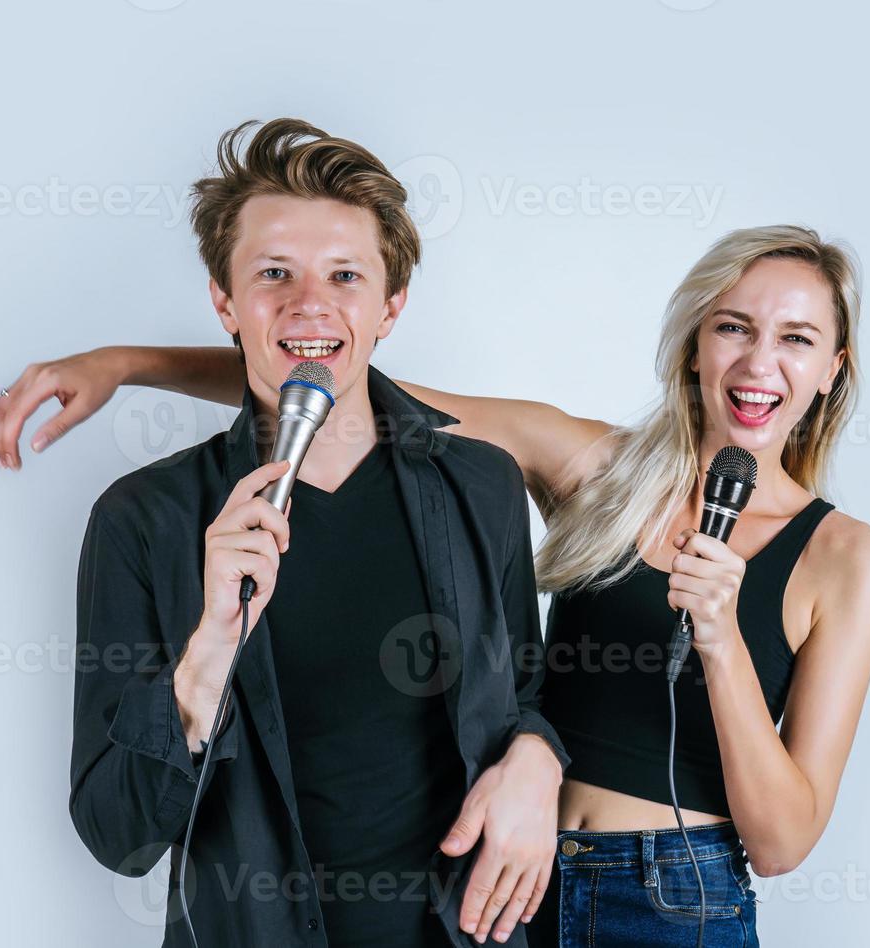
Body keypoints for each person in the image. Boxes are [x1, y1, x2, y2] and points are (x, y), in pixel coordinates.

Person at [0, 214, 870, 944]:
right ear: (696, 344)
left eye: (797, 339)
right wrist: (123, 366)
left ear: (831, 371)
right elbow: (340, 381)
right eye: (733, 327)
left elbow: (781, 842)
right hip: (509, 887)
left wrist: (723, 637)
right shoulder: (597, 467)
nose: (756, 363)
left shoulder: (847, 558)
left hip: (667, 900)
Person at [61, 118, 569, 948]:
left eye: (345, 274)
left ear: (390, 305)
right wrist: (206, 657)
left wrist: (539, 760)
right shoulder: (142, 519)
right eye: (273, 274)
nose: (310, 305)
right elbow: (115, 835)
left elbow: (529, 699)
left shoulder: (481, 485)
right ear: (224, 301)